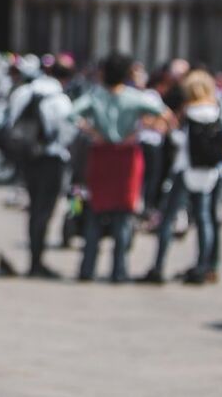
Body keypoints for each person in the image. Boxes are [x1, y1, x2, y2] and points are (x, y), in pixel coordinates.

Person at [71, 53, 171, 283]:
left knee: (95, 213)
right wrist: (138, 132)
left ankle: (87, 268)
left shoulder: (95, 96)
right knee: (124, 216)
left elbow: (70, 114)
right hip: (127, 157)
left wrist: (93, 132)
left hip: (101, 155)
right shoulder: (136, 97)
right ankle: (119, 270)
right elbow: (166, 115)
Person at [141, 70, 222, 285]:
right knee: (204, 218)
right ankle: (202, 267)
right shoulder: (218, 111)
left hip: (184, 170)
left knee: (168, 218)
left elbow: (181, 141)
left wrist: (171, 128)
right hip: (208, 172)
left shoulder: (190, 113)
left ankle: (158, 266)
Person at [5, 58, 74, 278]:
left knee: (34, 208)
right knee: (44, 210)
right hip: (51, 158)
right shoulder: (60, 100)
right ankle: (37, 262)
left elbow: (11, 123)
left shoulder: (22, 92)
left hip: (27, 157)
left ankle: (35, 258)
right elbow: (67, 133)